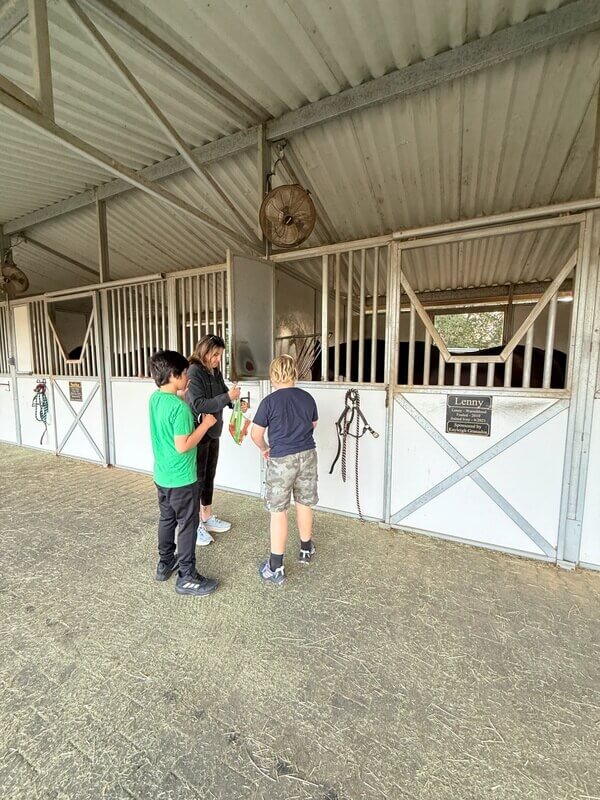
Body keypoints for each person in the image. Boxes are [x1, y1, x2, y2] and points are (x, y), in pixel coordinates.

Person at [149, 350, 219, 597]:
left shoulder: (155, 399)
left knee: (167, 519)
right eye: (185, 375)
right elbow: (183, 445)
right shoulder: (179, 407)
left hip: (162, 476)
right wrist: (205, 425)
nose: (188, 379)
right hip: (182, 478)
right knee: (187, 525)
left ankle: (165, 562)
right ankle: (187, 577)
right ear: (173, 375)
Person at [251, 355, 319, 585]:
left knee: (279, 511)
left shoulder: (269, 402)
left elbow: (256, 434)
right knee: (304, 502)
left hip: (281, 459)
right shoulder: (307, 398)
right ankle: (305, 549)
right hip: (307, 455)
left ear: (272, 376)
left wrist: (264, 449)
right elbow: (313, 425)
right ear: (295, 374)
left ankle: (276, 566)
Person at [186, 334, 241, 545]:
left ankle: (207, 517)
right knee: (197, 478)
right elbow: (199, 404)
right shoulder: (194, 370)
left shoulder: (214, 371)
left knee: (209, 475)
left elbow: (223, 393)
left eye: (220, 355)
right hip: (199, 432)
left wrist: (235, 404)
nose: (218, 359)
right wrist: (228, 398)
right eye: (215, 354)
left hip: (213, 430)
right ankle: (195, 525)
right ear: (204, 351)